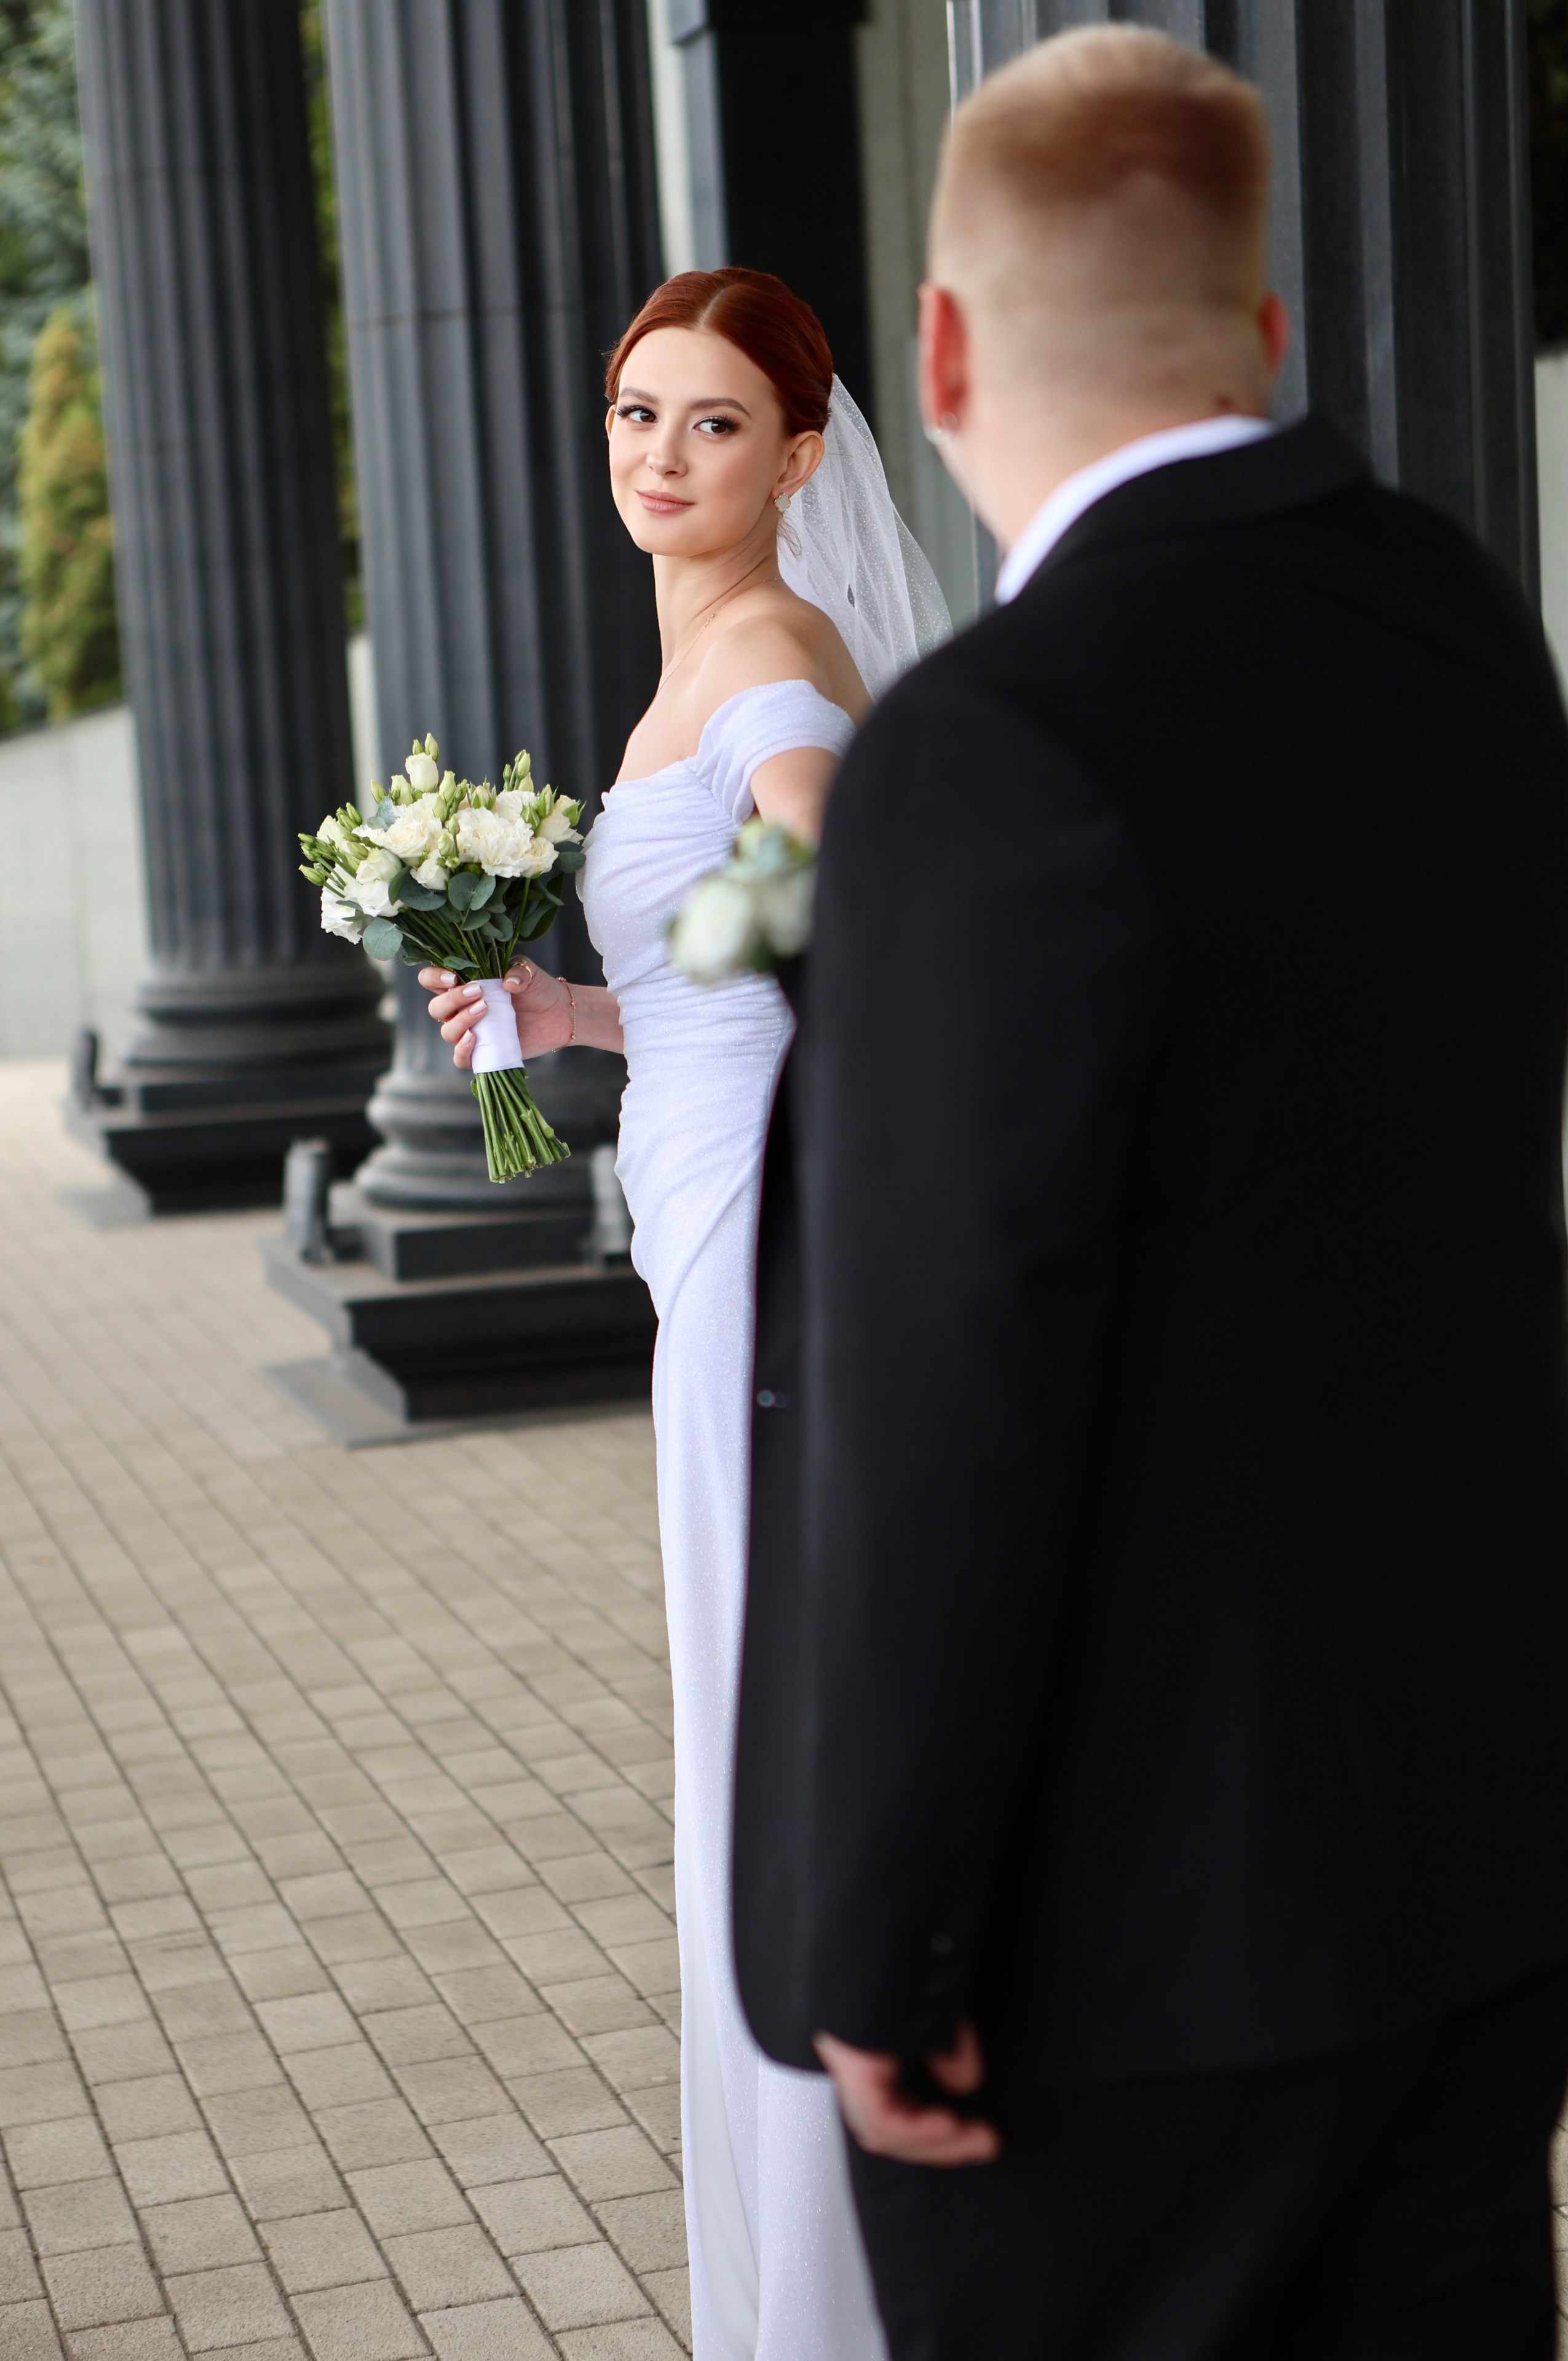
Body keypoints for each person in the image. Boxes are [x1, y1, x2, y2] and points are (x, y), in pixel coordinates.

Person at [732, 26, 1568, 2359]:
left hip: (1114, 1964)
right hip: (1474, 1867)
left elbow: (946, 1390)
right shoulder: (1470, 638)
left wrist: (884, 1939)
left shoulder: (994, 747)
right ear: (1267, 326)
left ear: (940, 348)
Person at [419, 266, 942, 2360]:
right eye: (640, 413)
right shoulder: (697, 666)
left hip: (766, 1258)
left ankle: (842, 2294)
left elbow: (878, 921)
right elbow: (743, 971)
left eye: (716, 423)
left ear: (802, 457)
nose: (663, 455)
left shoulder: (774, 664)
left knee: (780, 1727)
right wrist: (565, 1007)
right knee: (749, 1716)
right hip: (708, 1236)